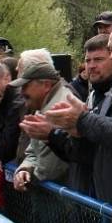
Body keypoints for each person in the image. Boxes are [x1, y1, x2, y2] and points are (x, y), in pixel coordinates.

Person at [45, 20, 112, 204]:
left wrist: (82, 120)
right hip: (108, 205)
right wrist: (74, 133)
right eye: (111, 50)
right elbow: (94, 151)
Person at [12, 61, 71, 189]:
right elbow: (32, 151)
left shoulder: (59, 108)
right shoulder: (43, 105)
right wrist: (24, 169)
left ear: (46, 85)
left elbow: (50, 168)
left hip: (60, 199)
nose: (21, 92)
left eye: (26, 86)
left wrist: (30, 177)